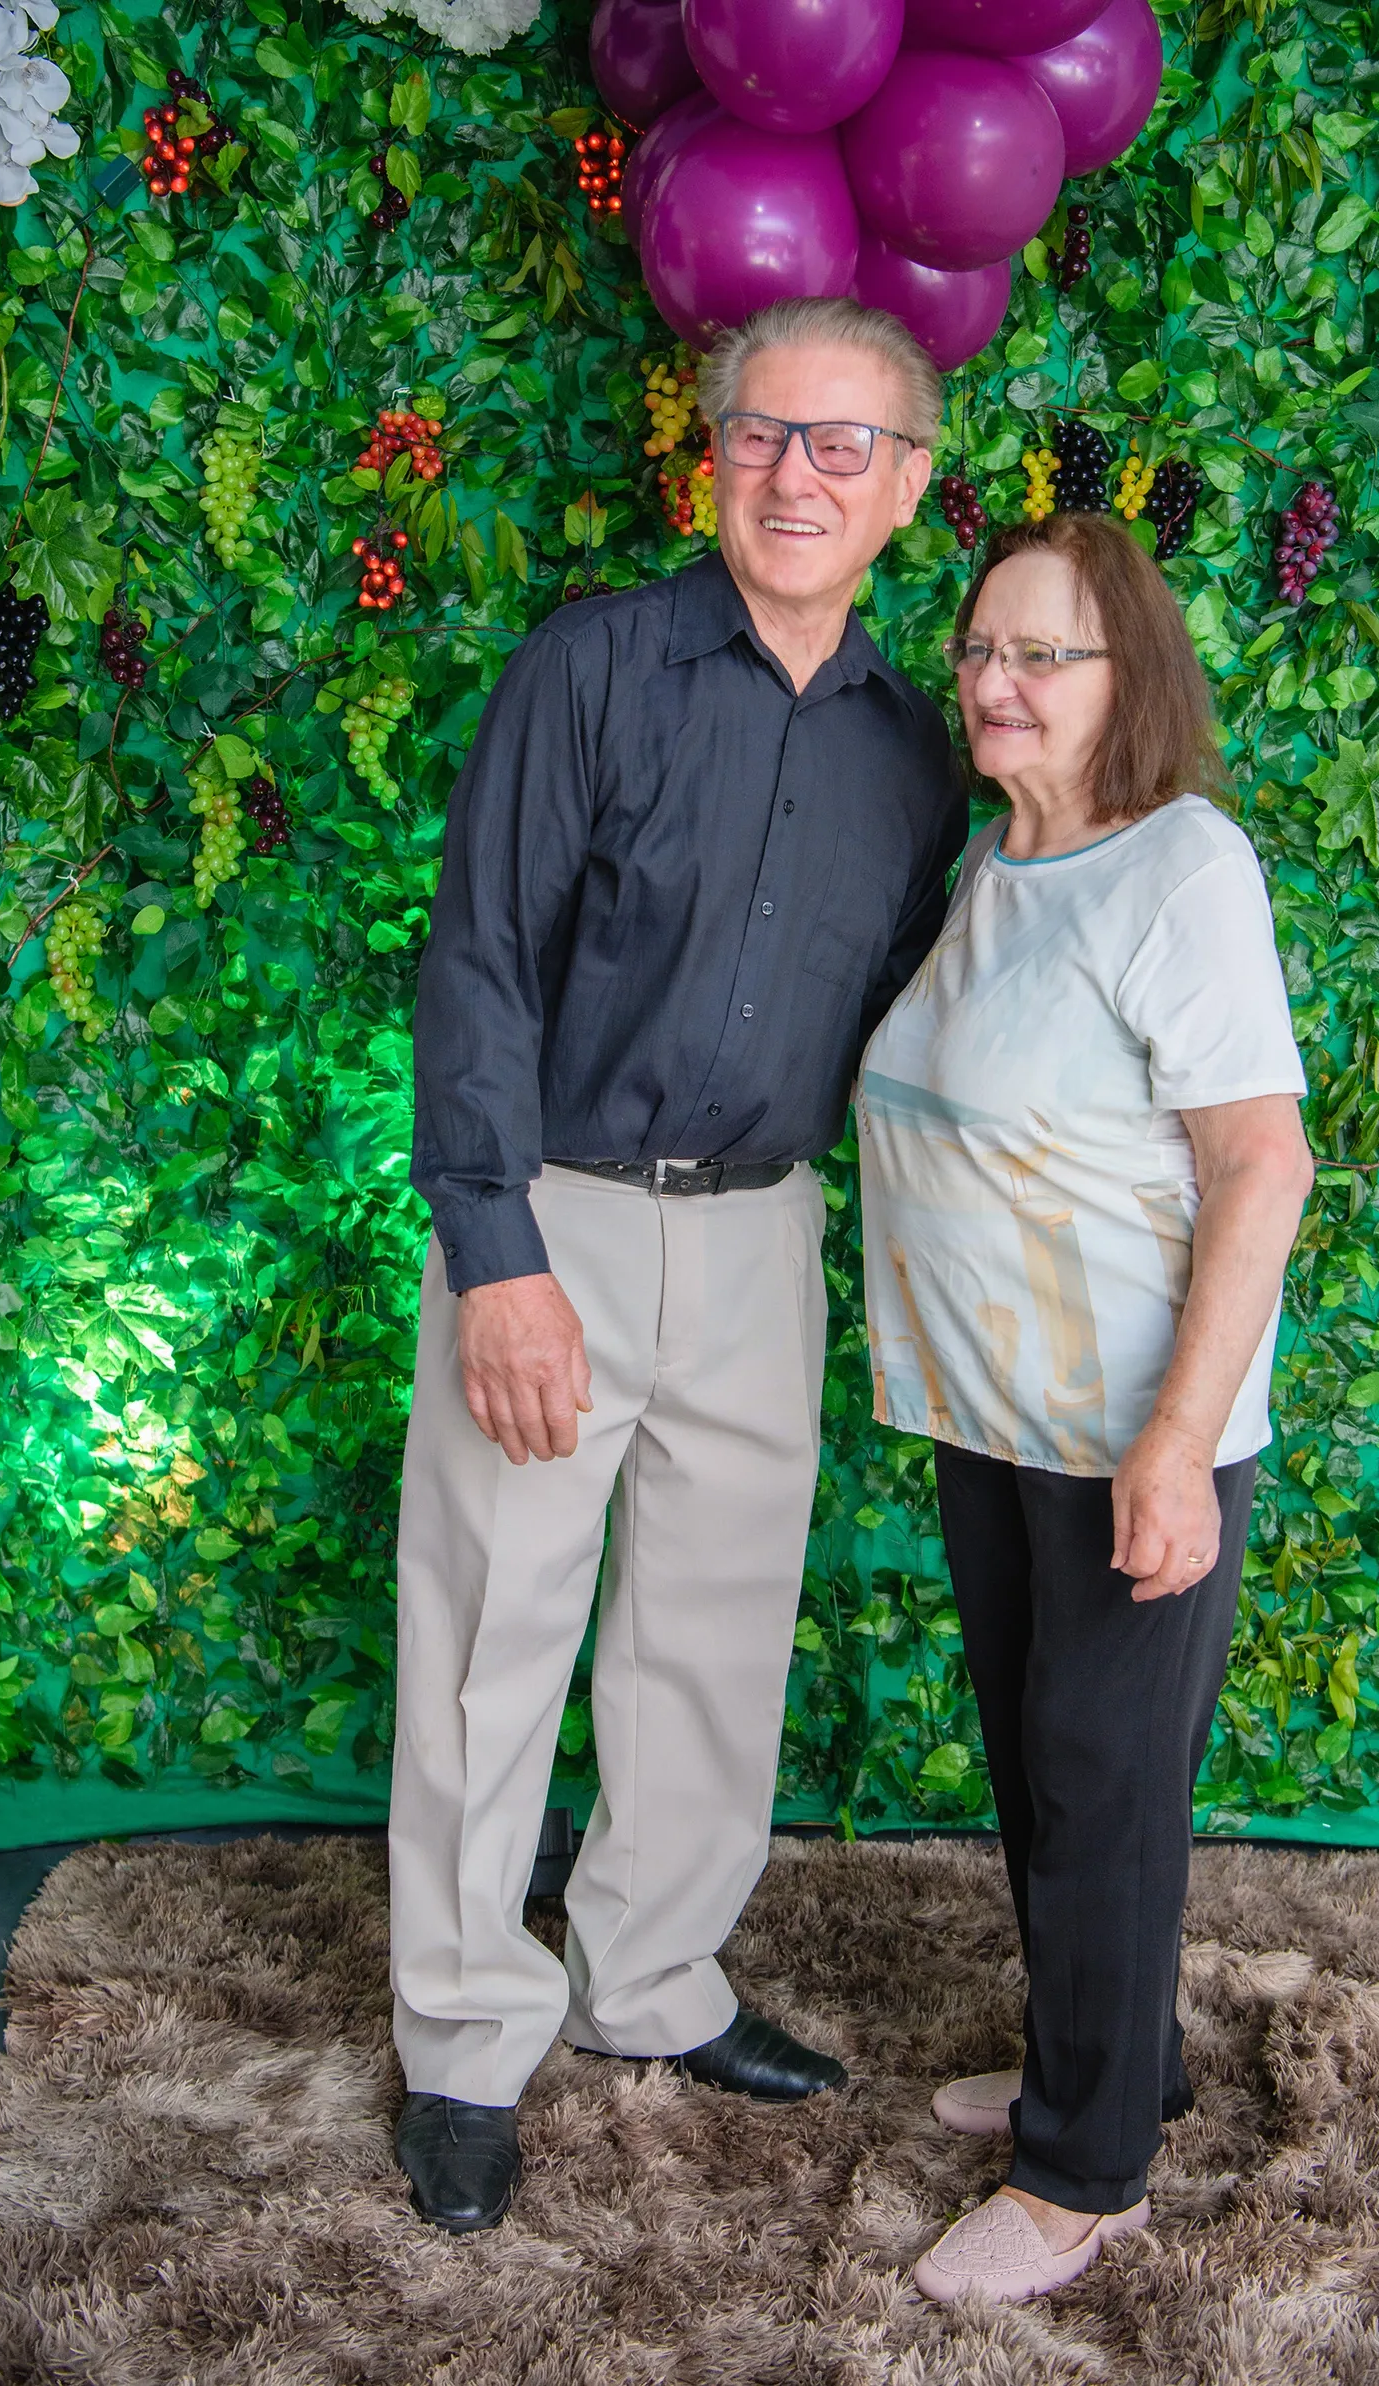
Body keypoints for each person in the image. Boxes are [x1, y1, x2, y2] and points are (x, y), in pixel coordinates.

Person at [391, 297, 968, 2233]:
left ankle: (650, 1977)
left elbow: (886, 1005)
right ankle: (467, 2031)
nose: (792, 473)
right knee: (494, 1636)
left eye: (839, 445)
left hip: (758, 1237)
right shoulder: (593, 667)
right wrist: (496, 1253)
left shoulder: (917, 753)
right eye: (759, 432)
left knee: (711, 1640)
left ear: (908, 484)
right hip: (553, 1209)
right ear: (707, 449)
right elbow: (475, 957)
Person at [856, 513, 1314, 2305]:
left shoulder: (1181, 867)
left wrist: (1179, 1442)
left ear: (1132, 677)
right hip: (1001, 1421)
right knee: (1053, 1786)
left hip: (1136, 1430)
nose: (994, 679)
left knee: (1104, 1786)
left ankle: (1085, 2171)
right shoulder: (1000, 862)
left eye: (1046, 654)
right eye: (982, 647)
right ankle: (1109, 2057)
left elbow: (1259, 1167)